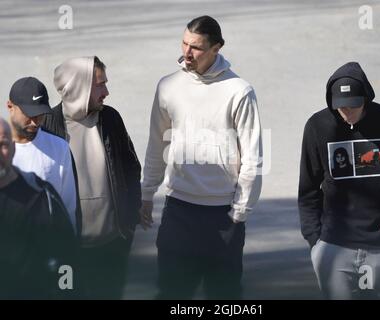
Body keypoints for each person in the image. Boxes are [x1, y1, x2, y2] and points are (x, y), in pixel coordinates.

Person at [140, 15, 263, 299]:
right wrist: (147, 192)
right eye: (184, 43)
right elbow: (156, 144)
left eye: (195, 47)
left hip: (223, 216)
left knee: (224, 299)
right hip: (178, 211)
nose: (186, 52)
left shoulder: (239, 91)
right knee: (171, 295)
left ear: (216, 48)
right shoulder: (168, 86)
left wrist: (240, 213)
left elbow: (253, 157)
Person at [298, 62, 380, 299]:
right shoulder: (317, 126)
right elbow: (308, 189)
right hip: (332, 247)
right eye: (340, 107)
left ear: (366, 98)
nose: (346, 112)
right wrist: (315, 241)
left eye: (353, 106)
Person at [42, 56, 142, 299]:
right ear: (79, 86)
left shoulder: (111, 119)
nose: (106, 91)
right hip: (69, 250)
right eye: (100, 84)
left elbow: (131, 168)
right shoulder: (48, 125)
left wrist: (129, 219)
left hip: (112, 244)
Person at [0, 117, 77, 299]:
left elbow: (67, 258)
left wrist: (69, 293)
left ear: (12, 149)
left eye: (2, 145)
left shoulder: (42, 197)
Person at [6, 77, 78, 233]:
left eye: (40, 114)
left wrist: (70, 250)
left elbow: (69, 206)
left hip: (45, 247)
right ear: (10, 106)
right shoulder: (2, 150)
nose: (35, 122)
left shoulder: (60, 148)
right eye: (29, 114)